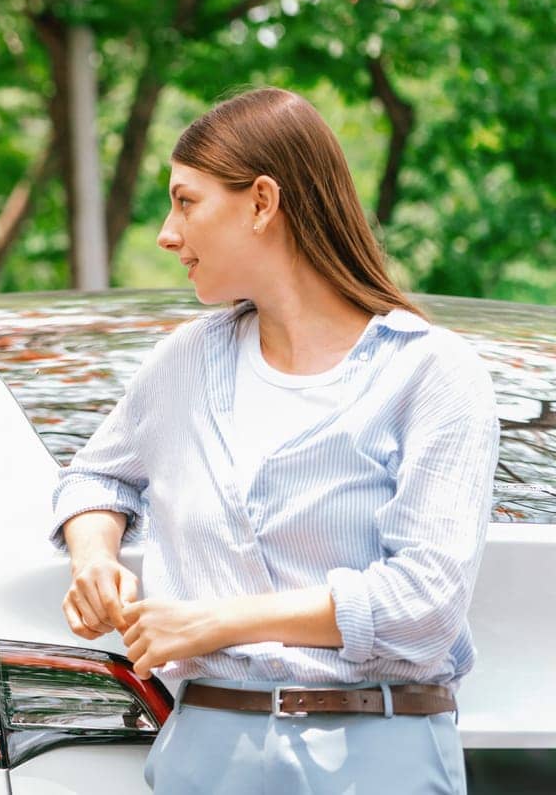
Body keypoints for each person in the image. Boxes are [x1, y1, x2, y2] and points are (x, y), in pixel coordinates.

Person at [49, 88, 499, 794]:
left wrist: (211, 622)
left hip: (377, 758)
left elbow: (426, 605)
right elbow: (95, 478)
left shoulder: (429, 372)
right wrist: (94, 556)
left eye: (186, 201)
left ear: (262, 202)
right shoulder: (183, 365)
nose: (167, 233)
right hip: (204, 755)